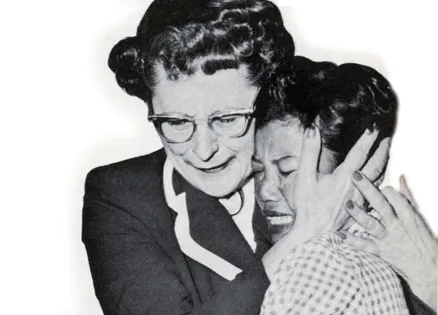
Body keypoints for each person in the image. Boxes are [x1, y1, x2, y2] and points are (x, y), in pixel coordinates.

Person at [82, 0, 435, 314]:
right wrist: (306, 234)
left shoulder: (322, 175)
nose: (204, 151)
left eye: (228, 119)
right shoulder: (122, 194)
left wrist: (431, 281)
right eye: (175, 122)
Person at [252, 56, 437, 314]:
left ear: (360, 171)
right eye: (257, 170)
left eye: (288, 170)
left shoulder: (319, 270)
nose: (264, 190)